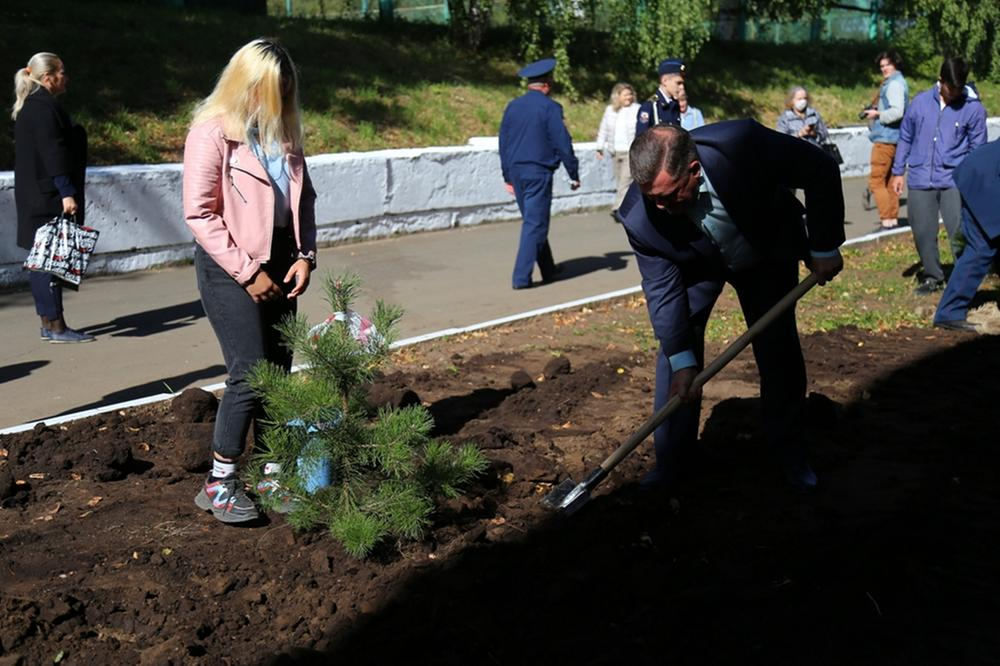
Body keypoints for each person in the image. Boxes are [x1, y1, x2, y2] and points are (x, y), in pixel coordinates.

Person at [616, 121, 845, 490]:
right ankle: (673, 463)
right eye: (651, 198)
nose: (659, 206)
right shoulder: (641, 218)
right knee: (677, 355)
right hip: (697, 264)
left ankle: (790, 455)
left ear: (693, 170)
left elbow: (819, 168)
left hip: (765, 250)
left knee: (777, 348)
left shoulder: (741, 146)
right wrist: (682, 360)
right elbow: (662, 290)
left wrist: (823, 245)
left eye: (668, 195)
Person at [184, 38, 318, 524]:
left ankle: (272, 473)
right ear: (246, 85)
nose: (280, 100)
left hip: (282, 259)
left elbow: (305, 201)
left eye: (286, 90)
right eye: (271, 90)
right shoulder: (213, 132)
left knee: (279, 376)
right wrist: (248, 273)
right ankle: (220, 482)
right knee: (249, 372)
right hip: (230, 265)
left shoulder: (284, 132)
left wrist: (306, 256)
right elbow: (199, 214)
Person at [12, 52, 94, 344]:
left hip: (35, 194)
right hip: (48, 196)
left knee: (42, 260)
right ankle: (55, 326)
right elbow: (53, 153)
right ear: (48, 78)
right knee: (49, 261)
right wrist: (67, 192)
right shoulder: (44, 109)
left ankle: (50, 322)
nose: (66, 77)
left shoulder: (31, 107)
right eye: (61, 72)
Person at [890, 57, 987, 295]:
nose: (953, 93)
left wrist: (973, 180)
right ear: (940, 81)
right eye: (949, 88)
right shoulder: (920, 103)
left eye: (958, 88)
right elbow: (905, 137)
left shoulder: (973, 108)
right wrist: (897, 171)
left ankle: (964, 279)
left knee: (959, 232)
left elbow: (978, 147)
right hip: (921, 177)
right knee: (922, 230)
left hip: (955, 180)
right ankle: (933, 276)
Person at [499, 57, 580, 290]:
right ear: (547, 83)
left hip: (517, 172)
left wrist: (507, 176)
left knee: (534, 221)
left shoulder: (513, 106)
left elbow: (503, 142)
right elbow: (562, 142)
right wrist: (573, 172)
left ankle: (549, 268)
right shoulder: (550, 108)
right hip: (537, 172)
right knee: (535, 224)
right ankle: (521, 278)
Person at [933, 139, 1000, 331]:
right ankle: (949, 313)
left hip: (978, 171)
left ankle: (949, 310)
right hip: (986, 180)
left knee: (982, 246)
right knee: (982, 249)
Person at [864, 50, 908, 230]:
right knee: (890, 181)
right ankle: (892, 221)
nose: (884, 69)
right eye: (881, 66)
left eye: (887, 65)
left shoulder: (894, 84)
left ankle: (885, 220)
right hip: (896, 139)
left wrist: (878, 114)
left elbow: (897, 111)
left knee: (876, 181)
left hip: (885, 139)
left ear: (895, 64)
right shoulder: (898, 82)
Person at [596, 82, 639, 214]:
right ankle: (629, 208)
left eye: (630, 94)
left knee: (625, 181)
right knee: (620, 181)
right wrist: (600, 147)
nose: (629, 97)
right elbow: (603, 129)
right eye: (625, 94)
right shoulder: (610, 110)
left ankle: (618, 208)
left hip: (630, 152)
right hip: (615, 151)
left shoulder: (637, 109)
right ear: (617, 96)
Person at [635, 58, 685, 137]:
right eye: (678, 83)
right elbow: (641, 141)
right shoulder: (650, 106)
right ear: (664, 81)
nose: (682, 87)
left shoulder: (674, 104)